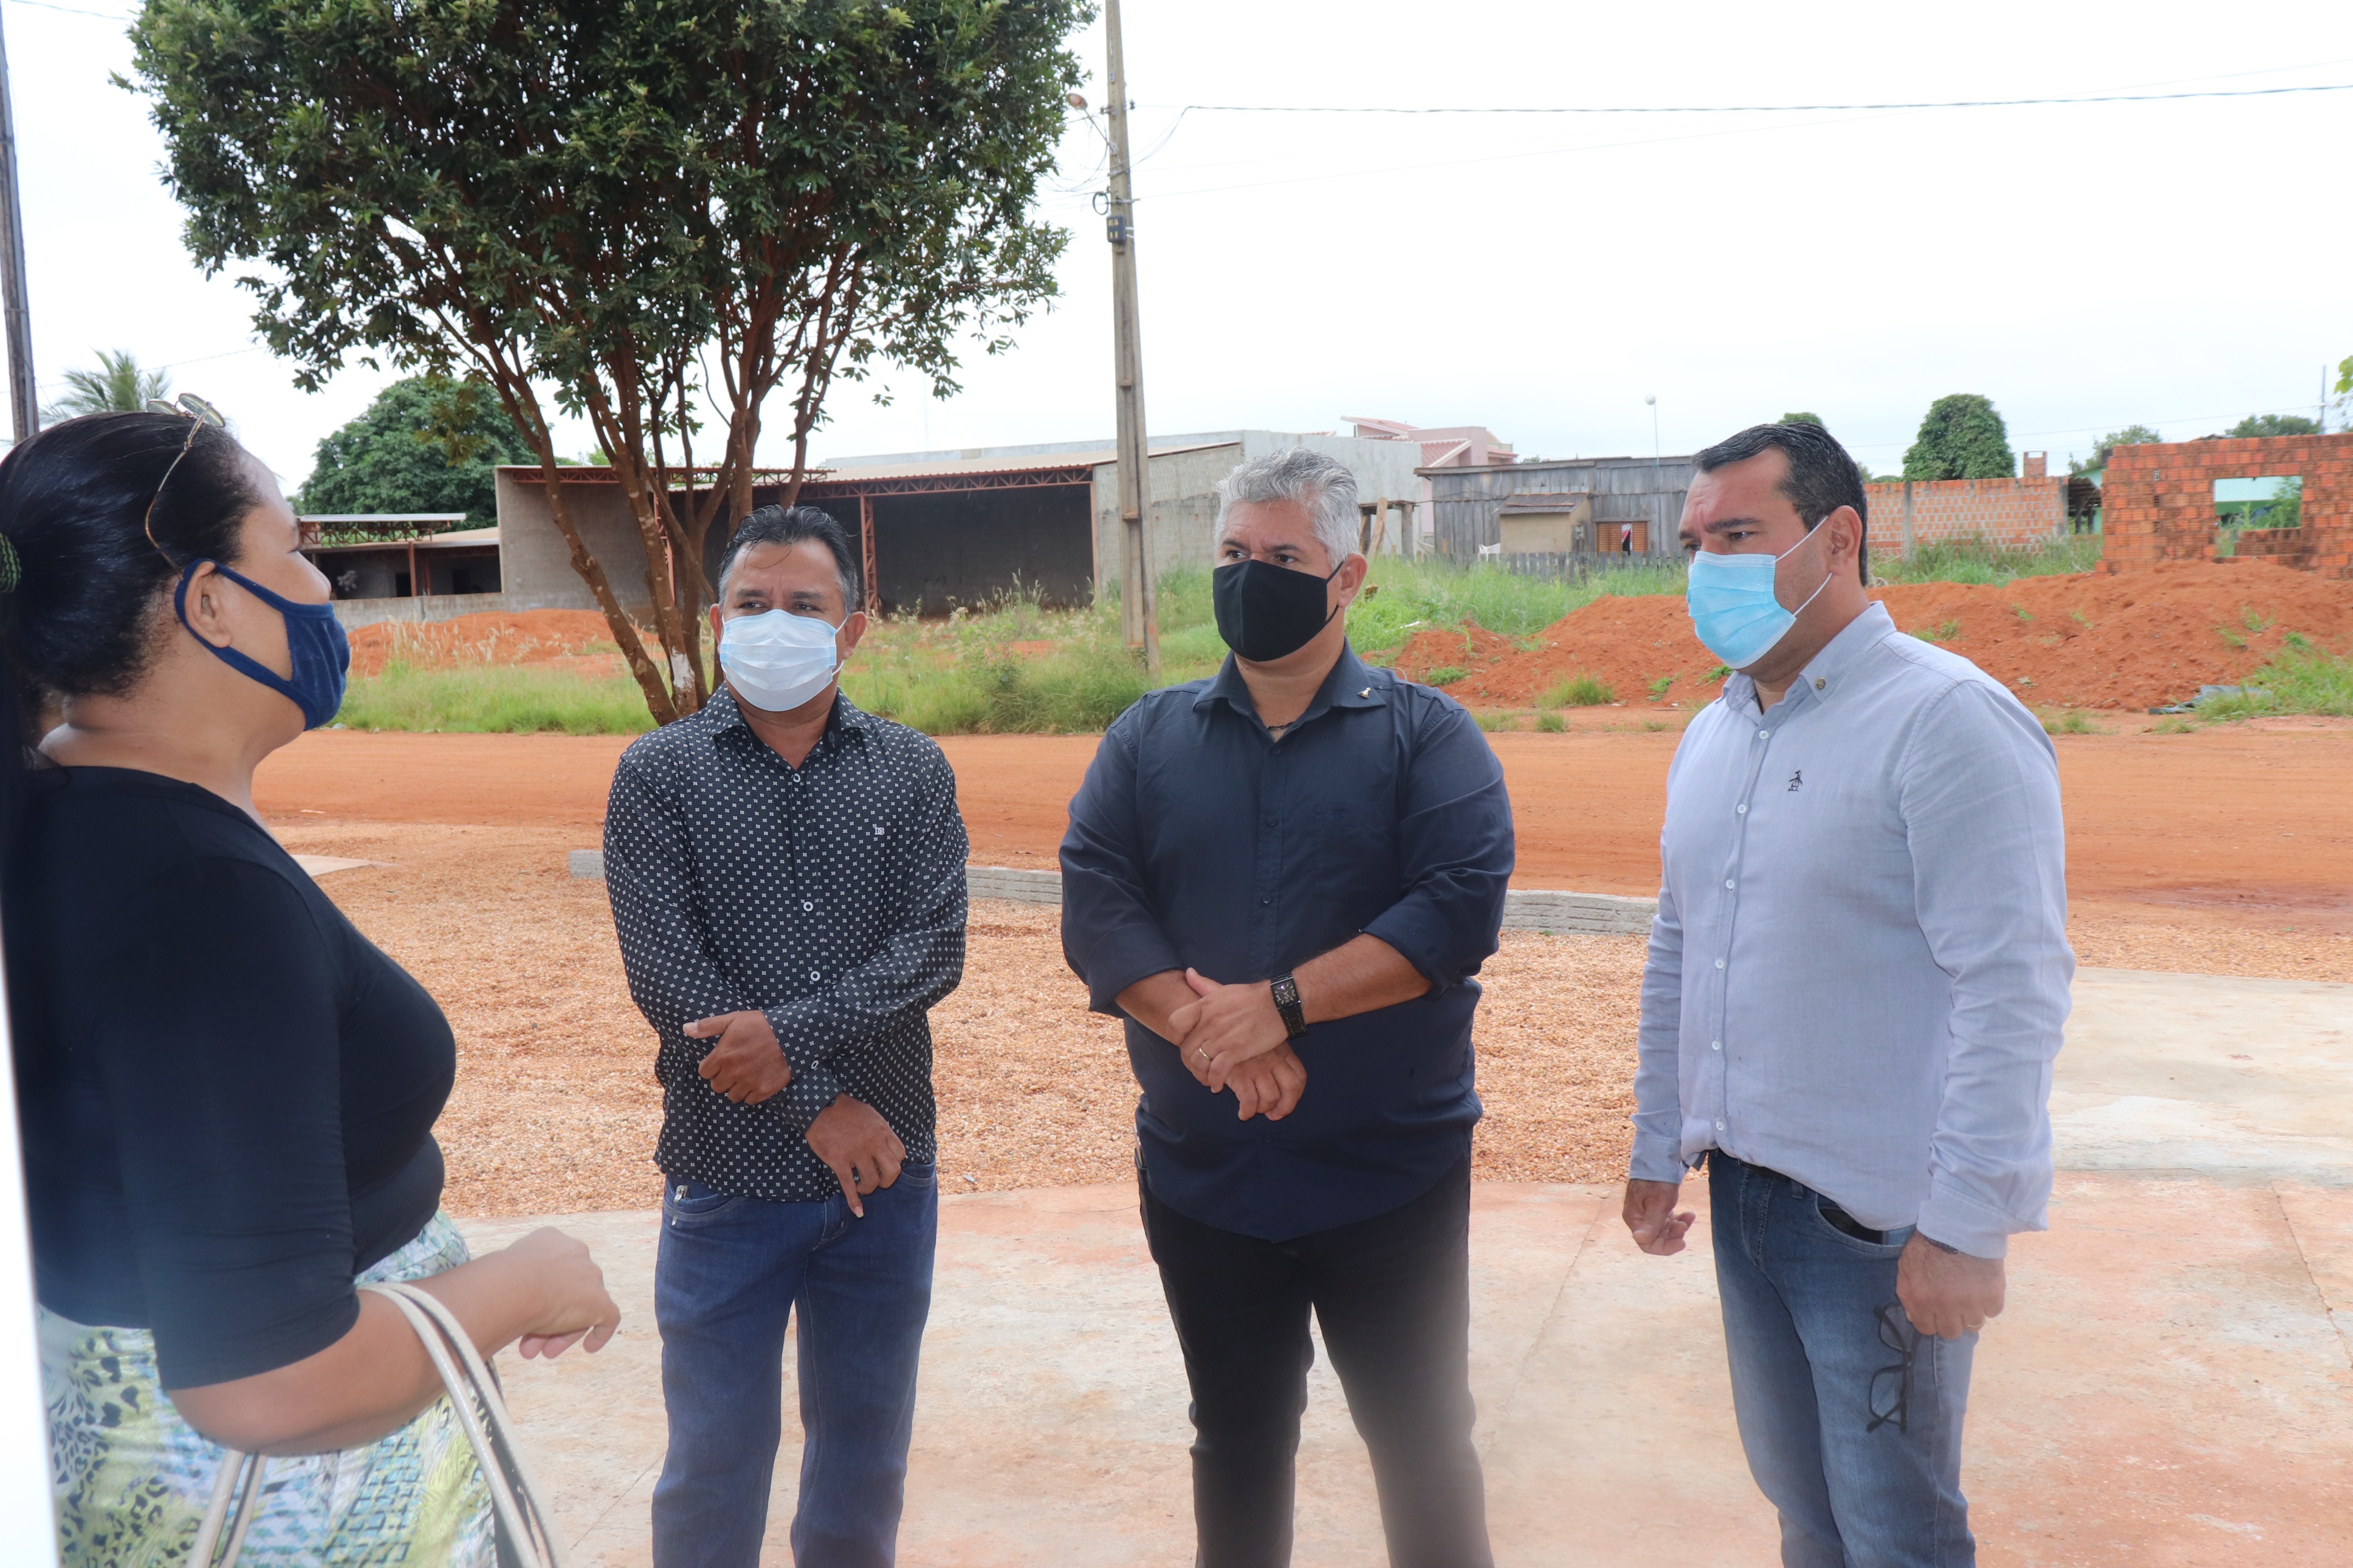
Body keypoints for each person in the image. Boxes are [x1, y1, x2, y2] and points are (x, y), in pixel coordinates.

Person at [1, 408, 620, 1565]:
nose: (323, 586)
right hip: (290, 1513)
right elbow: (269, 1383)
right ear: (212, 602)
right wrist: (523, 1283)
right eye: (292, 547)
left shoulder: (77, 817)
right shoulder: (194, 895)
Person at [1623, 421, 2070, 1566]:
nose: (1707, 568)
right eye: (1694, 543)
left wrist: (1967, 1227)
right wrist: (1658, 1138)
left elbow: (2013, 986)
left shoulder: (1947, 721)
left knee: (1894, 1528)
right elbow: (1682, 945)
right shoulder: (1715, 731)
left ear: (1836, 539)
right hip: (1745, 1196)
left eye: (1738, 535)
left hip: (1875, 1223)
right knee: (1804, 1508)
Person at [1061, 447, 1513, 1568]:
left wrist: (1281, 1005)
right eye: (1232, 551)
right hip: (1207, 1177)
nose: (1248, 574)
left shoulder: (1429, 736)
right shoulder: (1146, 739)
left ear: (1347, 577)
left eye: (1282, 556)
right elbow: (1099, 900)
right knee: (1236, 1440)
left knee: (1422, 1440)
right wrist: (1211, 1034)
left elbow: (1455, 908)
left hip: (1388, 1179)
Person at [603, 504, 968, 1568]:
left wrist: (789, 1043)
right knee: (715, 1458)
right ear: (719, 621)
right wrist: (820, 1104)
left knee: (864, 1459)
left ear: (852, 628)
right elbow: (669, 980)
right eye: (752, 602)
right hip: (727, 1178)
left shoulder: (913, 770)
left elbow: (933, 949)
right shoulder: (658, 775)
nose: (776, 622)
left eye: (804, 605)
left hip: (884, 1179)